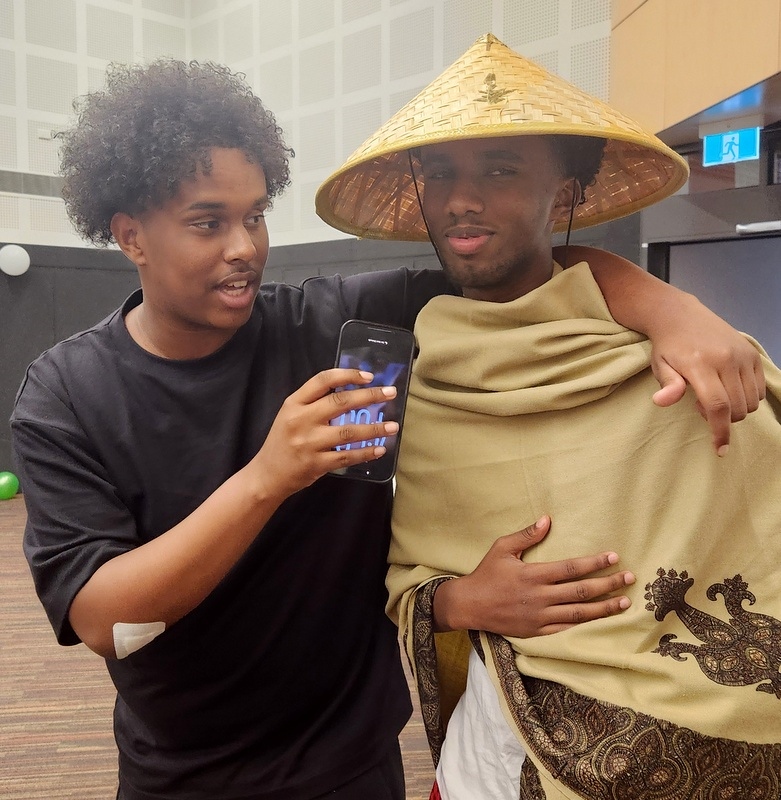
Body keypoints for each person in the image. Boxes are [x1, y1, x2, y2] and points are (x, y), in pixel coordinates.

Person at [9, 58, 767, 800]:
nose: (244, 247)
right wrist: (269, 477)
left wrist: (674, 311)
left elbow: (517, 266)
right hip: (181, 773)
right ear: (131, 236)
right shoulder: (66, 394)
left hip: (352, 762)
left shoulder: (335, 326)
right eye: (208, 223)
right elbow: (105, 619)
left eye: (255, 216)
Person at [317, 34, 781, 800]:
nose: (462, 199)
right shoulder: (413, 371)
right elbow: (402, 573)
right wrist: (459, 601)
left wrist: (670, 308)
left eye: (500, 170)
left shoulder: (678, 361)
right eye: (440, 174)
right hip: (498, 751)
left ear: (561, 197)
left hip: (713, 750)